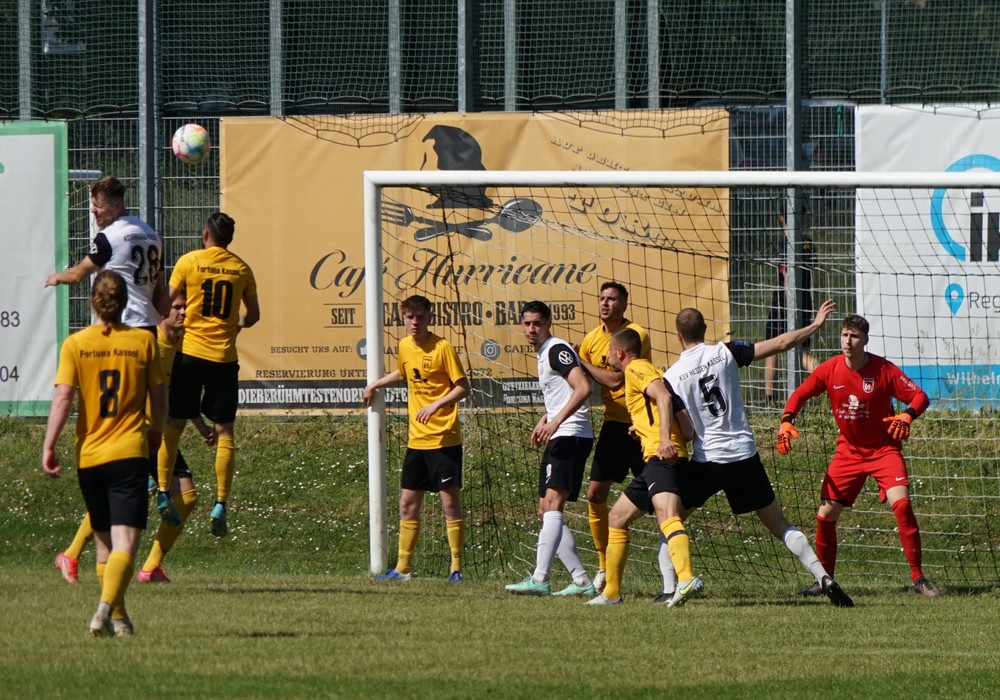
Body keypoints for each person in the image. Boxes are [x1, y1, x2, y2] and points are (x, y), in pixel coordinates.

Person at [664, 301, 855, 607]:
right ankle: (823, 577)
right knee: (781, 526)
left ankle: (669, 589)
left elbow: (685, 429)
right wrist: (814, 325)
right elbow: (780, 343)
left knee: (670, 521)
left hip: (708, 461)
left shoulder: (672, 377)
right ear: (705, 329)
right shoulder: (724, 352)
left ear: (677, 335)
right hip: (744, 455)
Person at [47, 175, 167, 584]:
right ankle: (155, 472)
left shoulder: (108, 238)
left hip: (119, 333)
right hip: (146, 335)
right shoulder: (151, 234)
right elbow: (160, 296)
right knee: (133, 445)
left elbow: (80, 274)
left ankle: (78, 555)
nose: (94, 211)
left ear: (114, 205)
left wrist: (55, 276)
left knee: (112, 437)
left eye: (97, 205)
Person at [777, 314, 939, 597]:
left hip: (883, 450)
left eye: (854, 336)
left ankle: (919, 579)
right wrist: (787, 420)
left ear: (865, 340)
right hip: (848, 451)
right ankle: (824, 580)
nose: (848, 341)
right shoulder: (830, 369)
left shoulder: (884, 370)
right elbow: (800, 394)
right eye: (844, 335)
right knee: (825, 516)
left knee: (902, 505)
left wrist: (908, 415)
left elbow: (920, 397)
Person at [42, 270, 167, 636]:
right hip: (128, 453)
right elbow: (160, 397)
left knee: (103, 544)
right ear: (125, 302)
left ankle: (119, 620)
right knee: (125, 543)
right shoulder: (144, 342)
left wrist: (49, 445)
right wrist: (156, 432)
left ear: (92, 302)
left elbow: (63, 397)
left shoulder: (76, 344)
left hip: (90, 457)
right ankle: (103, 609)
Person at [157, 212, 259, 538]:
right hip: (223, 360)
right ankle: (221, 503)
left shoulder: (189, 262)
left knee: (173, 425)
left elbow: (166, 302)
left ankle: (163, 491)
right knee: (224, 432)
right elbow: (254, 316)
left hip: (190, 355)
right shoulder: (242, 269)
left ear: (205, 235)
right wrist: (237, 325)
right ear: (229, 239)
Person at [587, 328, 697, 607]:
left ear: (619, 352)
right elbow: (686, 428)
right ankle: (611, 594)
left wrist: (663, 439)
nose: (608, 357)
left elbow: (664, 398)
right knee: (616, 518)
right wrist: (644, 429)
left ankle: (686, 579)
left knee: (667, 514)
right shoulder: (650, 371)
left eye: (609, 351)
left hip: (664, 457)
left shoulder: (636, 369)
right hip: (656, 459)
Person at [364, 294, 470, 582]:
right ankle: (402, 569)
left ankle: (456, 569)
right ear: (403, 319)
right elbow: (403, 373)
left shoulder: (442, 347)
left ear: (429, 318)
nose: (415, 322)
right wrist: (375, 385)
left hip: (444, 439)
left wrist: (436, 405)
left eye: (420, 317)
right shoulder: (404, 346)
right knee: (408, 505)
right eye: (410, 317)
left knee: (450, 505)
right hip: (416, 441)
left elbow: (462, 387)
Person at [506, 301, 596, 596]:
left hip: (571, 435)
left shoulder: (556, 349)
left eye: (537, 323)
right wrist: (546, 418)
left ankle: (540, 578)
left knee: (553, 505)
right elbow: (563, 393)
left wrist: (556, 421)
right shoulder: (545, 352)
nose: (532, 329)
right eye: (527, 323)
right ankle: (581, 581)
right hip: (561, 433)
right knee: (545, 510)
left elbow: (583, 388)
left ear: (548, 323)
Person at [577, 282, 662, 595]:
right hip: (613, 425)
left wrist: (581, 362)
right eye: (601, 298)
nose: (605, 303)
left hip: (641, 427)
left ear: (624, 304)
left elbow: (615, 381)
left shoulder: (634, 335)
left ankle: (673, 574)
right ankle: (603, 567)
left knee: (661, 501)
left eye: (611, 299)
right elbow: (580, 381)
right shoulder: (591, 340)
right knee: (595, 495)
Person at [136, 295, 217, 583]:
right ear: (161, 311)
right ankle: (73, 555)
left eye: (186, 307)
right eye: (177, 307)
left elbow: (181, 395)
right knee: (120, 497)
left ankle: (150, 567)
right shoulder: (149, 343)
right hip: (140, 432)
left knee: (187, 496)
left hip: (162, 434)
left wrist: (201, 425)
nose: (183, 312)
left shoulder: (182, 344)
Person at [764, 216, 818, 404]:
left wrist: (789, 303)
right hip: (805, 300)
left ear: (781, 218)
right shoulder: (808, 244)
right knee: (800, 349)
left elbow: (787, 274)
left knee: (771, 349)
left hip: (784, 303)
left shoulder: (783, 245)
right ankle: (824, 386)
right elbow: (813, 271)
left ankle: (770, 399)